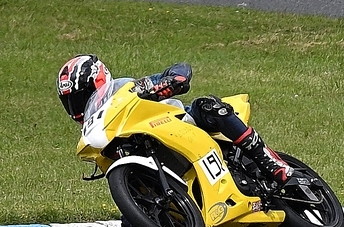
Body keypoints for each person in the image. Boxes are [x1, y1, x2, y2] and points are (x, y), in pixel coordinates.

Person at [55, 55, 294, 183]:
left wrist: (171, 82)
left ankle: (268, 160)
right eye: (71, 101)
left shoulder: (129, 88)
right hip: (152, 149)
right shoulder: (97, 129)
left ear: (99, 81)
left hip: (182, 123)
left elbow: (180, 69)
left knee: (208, 106)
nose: (78, 106)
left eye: (81, 97)